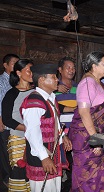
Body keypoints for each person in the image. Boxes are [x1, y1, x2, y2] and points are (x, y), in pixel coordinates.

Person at [20, 63, 72, 192]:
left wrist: (62, 136)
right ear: (42, 80)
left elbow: (54, 123)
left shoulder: (50, 98)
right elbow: (32, 133)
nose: (57, 80)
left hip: (52, 154)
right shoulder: (34, 102)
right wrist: (44, 157)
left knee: (54, 188)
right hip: (41, 156)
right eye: (53, 77)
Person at [68, 51, 104, 192]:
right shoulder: (87, 83)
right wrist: (96, 139)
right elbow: (83, 112)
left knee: (99, 177)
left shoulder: (98, 82)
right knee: (87, 179)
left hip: (95, 138)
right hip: (87, 140)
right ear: (94, 66)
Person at [2, 59, 34, 191]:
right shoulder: (12, 93)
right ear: (19, 73)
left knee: (32, 173)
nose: (32, 73)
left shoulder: (35, 92)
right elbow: (7, 119)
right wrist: (28, 129)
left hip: (34, 139)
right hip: (18, 139)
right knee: (19, 173)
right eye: (28, 70)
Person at [56, 56, 77, 192]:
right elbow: (51, 107)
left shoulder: (77, 86)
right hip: (58, 130)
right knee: (58, 160)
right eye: (68, 67)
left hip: (75, 128)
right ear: (60, 70)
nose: (71, 70)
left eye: (73, 68)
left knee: (76, 160)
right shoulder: (52, 85)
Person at [0, 54, 20, 187]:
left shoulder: (17, 81)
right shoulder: (1, 81)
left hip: (16, 124)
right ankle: (7, 179)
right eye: (13, 63)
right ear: (5, 65)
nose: (16, 66)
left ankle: (15, 178)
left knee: (15, 152)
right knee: (5, 153)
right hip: (4, 122)